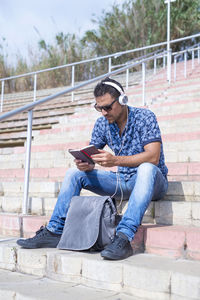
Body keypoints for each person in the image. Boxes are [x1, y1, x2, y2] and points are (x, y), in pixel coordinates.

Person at [17, 77, 168, 260]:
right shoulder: (102, 124)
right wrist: (86, 163)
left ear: (122, 100)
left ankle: (123, 237)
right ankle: (55, 231)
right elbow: (91, 152)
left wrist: (115, 160)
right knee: (74, 174)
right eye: (99, 108)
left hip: (152, 183)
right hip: (123, 182)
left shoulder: (145, 117)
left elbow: (153, 157)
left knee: (146, 168)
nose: (104, 112)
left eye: (107, 107)